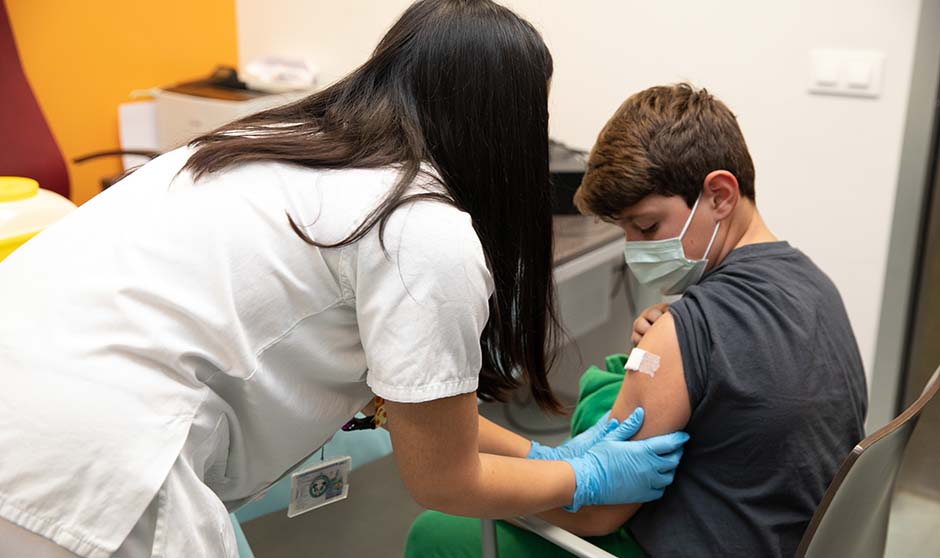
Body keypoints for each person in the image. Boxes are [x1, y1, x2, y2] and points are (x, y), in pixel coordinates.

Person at [0, 2, 689, 557]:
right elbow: (443, 476)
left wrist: (542, 455)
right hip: (91, 473)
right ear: (502, 125)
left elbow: (417, 415)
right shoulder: (419, 226)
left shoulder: (256, 145)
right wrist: (582, 478)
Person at [405, 83, 867, 558]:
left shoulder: (682, 332)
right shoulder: (814, 284)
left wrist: (504, 483)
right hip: (785, 536)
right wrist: (550, 460)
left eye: (647, 227)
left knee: (437, 532)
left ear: (721, 195)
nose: (636, 252)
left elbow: (597, 515)